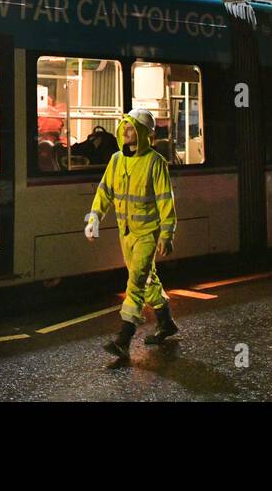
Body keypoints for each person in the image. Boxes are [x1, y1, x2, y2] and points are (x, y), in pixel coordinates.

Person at [85, 108, 179, 358]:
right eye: (124, 126)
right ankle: (166, 322)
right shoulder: (116, 159)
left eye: (132, 127)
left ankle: (123, 338)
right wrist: (94, 216)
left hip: (147, 233)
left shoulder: (155, 162)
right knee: (148, 280)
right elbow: (104, 191)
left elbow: (165, 202)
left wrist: (166, 235)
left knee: (136, 282)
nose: (126, 131)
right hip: (125, 234)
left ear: (144, 134)